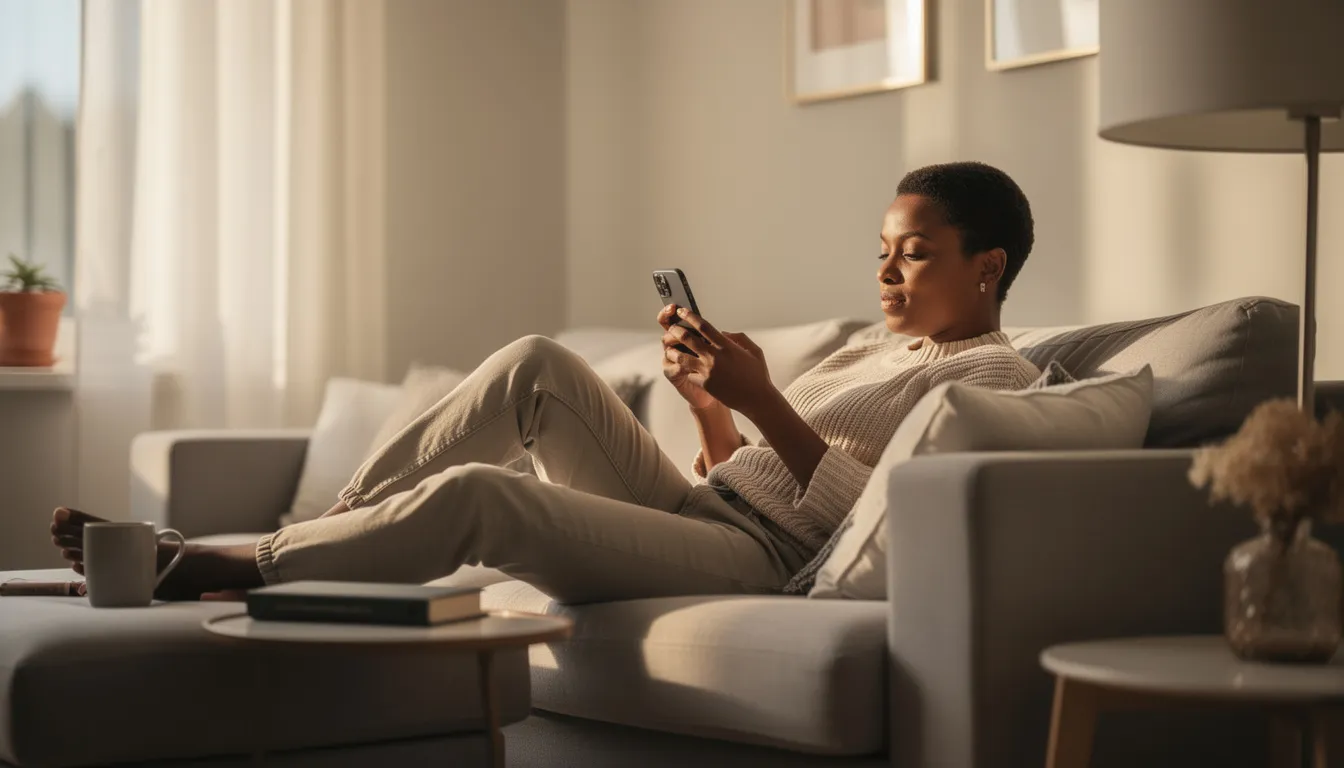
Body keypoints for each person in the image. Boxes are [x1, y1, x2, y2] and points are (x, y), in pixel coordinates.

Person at [50, 161, 1041, 603]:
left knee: (489, 494)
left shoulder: (996, 376)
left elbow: (877, 527)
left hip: (766, 565)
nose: (885, 273)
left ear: (987, 266)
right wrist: (710, 407)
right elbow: (750, 473)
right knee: (533, 363)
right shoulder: (870, 350)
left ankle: (240, 565)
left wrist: (765, 399)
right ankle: (330, 530)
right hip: (712, 511)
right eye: (881, 251)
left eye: (913, 254)